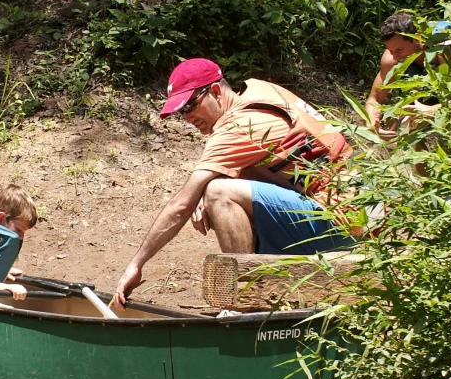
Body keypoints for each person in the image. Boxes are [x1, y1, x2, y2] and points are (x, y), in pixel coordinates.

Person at [114, 58, 355, 310]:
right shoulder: (261, 92)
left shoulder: (239, 126)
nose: (188, 118)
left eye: (191, 106)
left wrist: (136, 264)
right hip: (359, 215)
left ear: (216, 92)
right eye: (181, 112)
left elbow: (181, 205)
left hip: (342, 225)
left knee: (219, 193)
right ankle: (264, 291)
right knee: (216, 185)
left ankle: (242, 304)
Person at [365, 12, 451, 138]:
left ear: (417, 38)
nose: (395, 56)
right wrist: (371, 121)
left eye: (399, 50)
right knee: (409, 117)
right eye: (391, 50)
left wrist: (434, 110)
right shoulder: (392, 57)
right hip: (431, 79)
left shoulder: (445, 48)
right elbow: (374, 98)